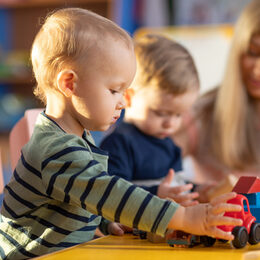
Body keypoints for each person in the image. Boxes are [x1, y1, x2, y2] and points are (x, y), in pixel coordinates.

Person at [0, 8, 242, 259]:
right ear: (69, 84)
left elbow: (82, 198)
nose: (122, 102)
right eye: (115, 90)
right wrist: (184, 217)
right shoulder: (56, 149)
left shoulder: (74, 139)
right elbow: (109, 192)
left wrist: (103, 222)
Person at [100, 34, 208, 205]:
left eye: (178, 114)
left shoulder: (169, 145)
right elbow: (113, 195)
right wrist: (157, 194)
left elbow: (175, 185)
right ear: (128, 98)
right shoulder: (119, 144)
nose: (170, 123)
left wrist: (197, 190)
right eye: (161, 113)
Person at [172, 0, 260, 185]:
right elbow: (148, 168)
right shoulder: (201, 114)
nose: (257, 70)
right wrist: (202, 194)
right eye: (252, 52)